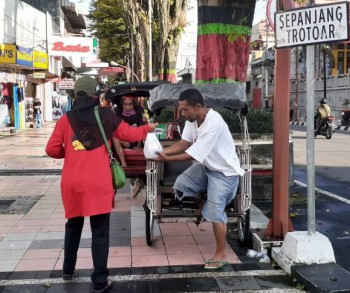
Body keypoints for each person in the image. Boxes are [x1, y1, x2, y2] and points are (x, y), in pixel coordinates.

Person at [45, 76, 156, 293]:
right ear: (96, 94)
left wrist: (69, 150)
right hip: (97, 181)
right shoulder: (105, 115)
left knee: (73, 225)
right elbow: (130, 134)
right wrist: (148, 128)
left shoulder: (66, 119)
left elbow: (51, 149)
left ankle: (67, 270)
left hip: (72, 182)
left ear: (76, 94)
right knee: (100, 231)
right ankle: (99, 282)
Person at [153, 88, 243, 270]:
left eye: (185, 110)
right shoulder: (193, 120)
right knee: (181, 184)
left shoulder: (214, 123)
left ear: (198, 106)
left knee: (216, 213)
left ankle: (221, 254)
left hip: (225, 174)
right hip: (206, 167)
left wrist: (167, 159)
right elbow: (184, 143)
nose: (182, 113)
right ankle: (203, 204)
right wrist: (162, 152)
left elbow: (190, 153)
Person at [113, 96, 146, 197]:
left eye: (130, 104)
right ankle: (123, 163)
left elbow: (141, 129)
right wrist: (123, 140)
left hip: (136, 141)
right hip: (122, 141)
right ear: (122, 105)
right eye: (125, 104)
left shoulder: (139, 113)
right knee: (114, 137)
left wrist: (139, 146)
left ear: (133, 105)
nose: (127, 107)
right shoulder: (117, 113)